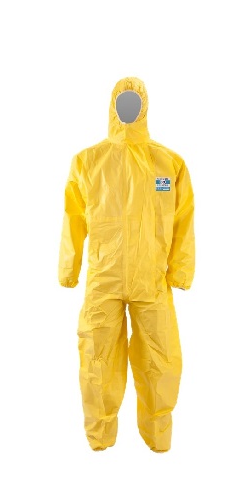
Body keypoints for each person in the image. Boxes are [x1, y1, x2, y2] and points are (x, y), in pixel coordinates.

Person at [58, 77, 195, 452]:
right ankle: (100, 435)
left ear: (145, 107)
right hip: (104, 279)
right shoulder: (88, 161)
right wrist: (69, 268)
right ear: (112, 106)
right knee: (97, 359)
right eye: (123, 102)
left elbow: (183, 220)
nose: (128, 109)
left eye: (135, 102)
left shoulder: (168, 163)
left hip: (151, 279)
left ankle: (157, 435)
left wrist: (181, 270)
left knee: (162, 360)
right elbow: (73, 219)